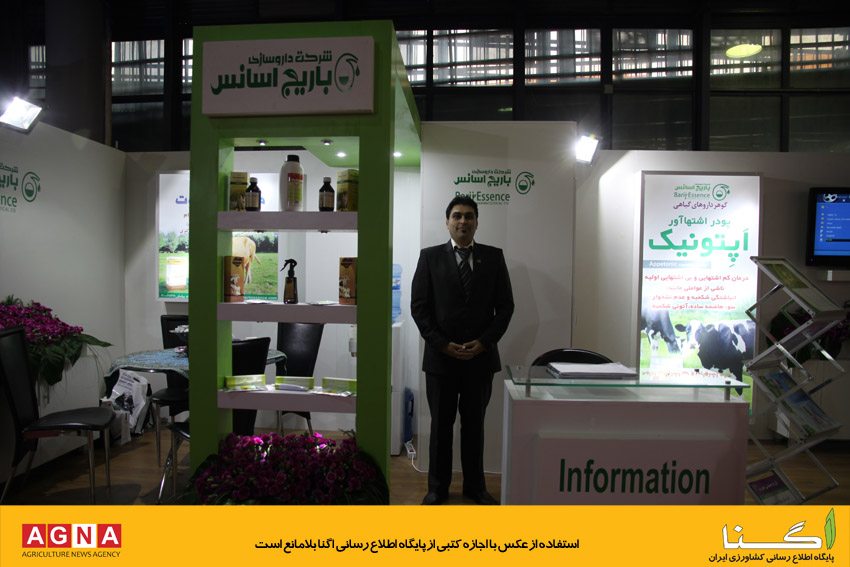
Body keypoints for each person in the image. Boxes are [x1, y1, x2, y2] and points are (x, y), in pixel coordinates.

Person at [411, 196, 514, 505]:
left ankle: (475, 487)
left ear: (477, 222)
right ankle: (437, 488)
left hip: (479, 360)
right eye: (457, 216)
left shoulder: (493, 257)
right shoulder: (430, 257)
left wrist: (484, 342)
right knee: (440, 428)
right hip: (441, 361)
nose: (463, 221)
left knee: (474, 428)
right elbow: (419, 308)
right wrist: (443, 344)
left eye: (469, 216)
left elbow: (505, 307)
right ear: (447, 222)